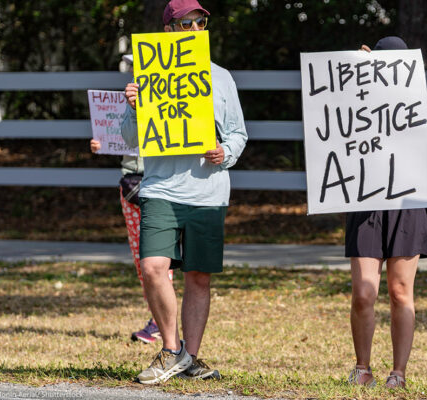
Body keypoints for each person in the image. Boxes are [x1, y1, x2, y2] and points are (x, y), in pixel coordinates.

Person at [120, 0, 248, 384]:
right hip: (160, 187)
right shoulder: (148, 76)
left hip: (208, 193)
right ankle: (171, 349)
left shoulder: (221, 77)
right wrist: (134, 107)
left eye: (200, 22)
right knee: (152, 268)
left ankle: (190, 357)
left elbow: (238, 134)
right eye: (185, 23)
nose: (194, 29)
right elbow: (129, 140)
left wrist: (225, 153)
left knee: (199, 277)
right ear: (168, 30)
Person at [346, 36, 427, 389]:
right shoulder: (355, 105)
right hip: (366, 205)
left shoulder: (423, 109)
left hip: (407, 206)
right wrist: (356, 72)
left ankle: (398, 373)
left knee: (400, 292)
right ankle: (362, 368)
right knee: (363, 293)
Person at [89, 140, 171, 344]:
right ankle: (157, 318)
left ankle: (161, 322)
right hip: (130, 185)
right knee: (141, 257)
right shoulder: (124, 116)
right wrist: (102, 143)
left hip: (161, 181)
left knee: (160, 255)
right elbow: (115, 134)